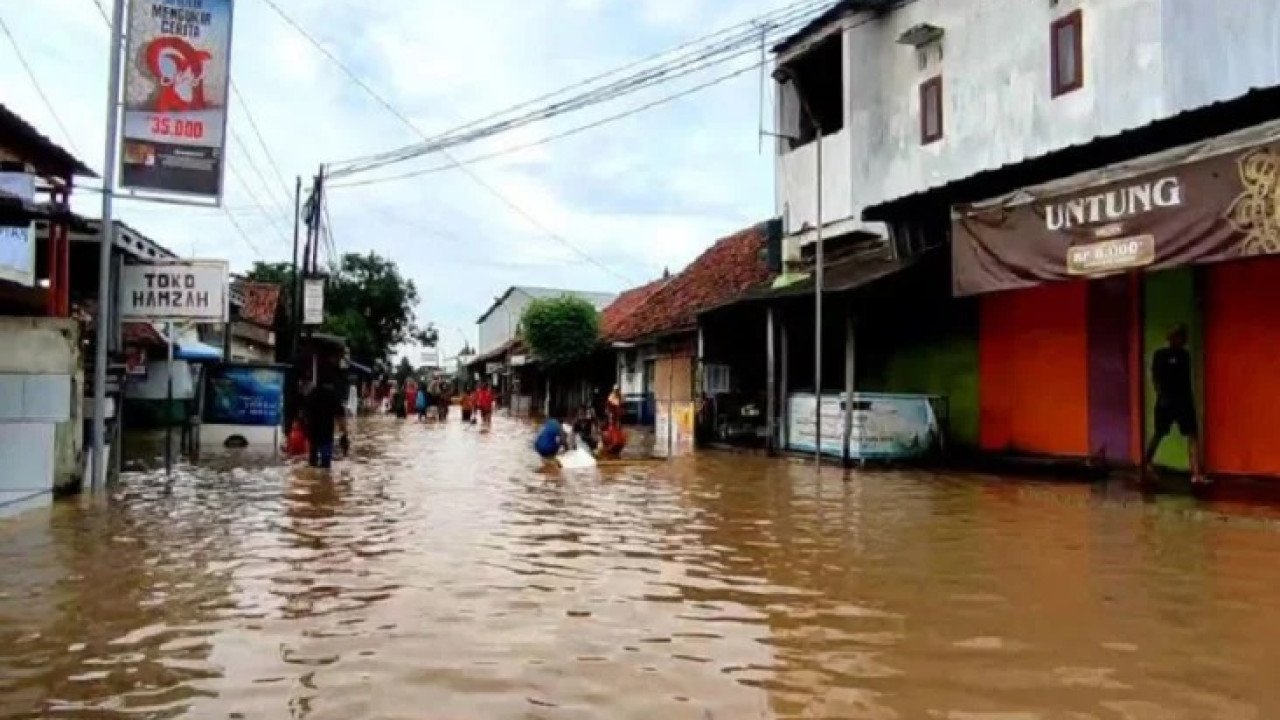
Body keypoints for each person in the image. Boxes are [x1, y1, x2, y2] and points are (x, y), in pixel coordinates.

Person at [1143, 325, 1205, 484]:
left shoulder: (1184, 355)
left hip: (1182, 400)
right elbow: (1156, 378)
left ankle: (1196, 473)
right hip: (1168, 400)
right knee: (1159, 433)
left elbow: (1185, 381)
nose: (1182, 341)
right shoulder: (1161, 355)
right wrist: (1161, 395)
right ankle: (1145, 464)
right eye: (1179, 338)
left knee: (1192, 434)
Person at [303, 380, 343, 469]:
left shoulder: (311, 395)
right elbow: (340, 416)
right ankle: (323, 480)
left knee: (312, 463)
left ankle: (313, 480)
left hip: (313, 434)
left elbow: (305, 416)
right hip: (326, 435)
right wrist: (344, 433)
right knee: (325, 465)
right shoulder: (332, 396)